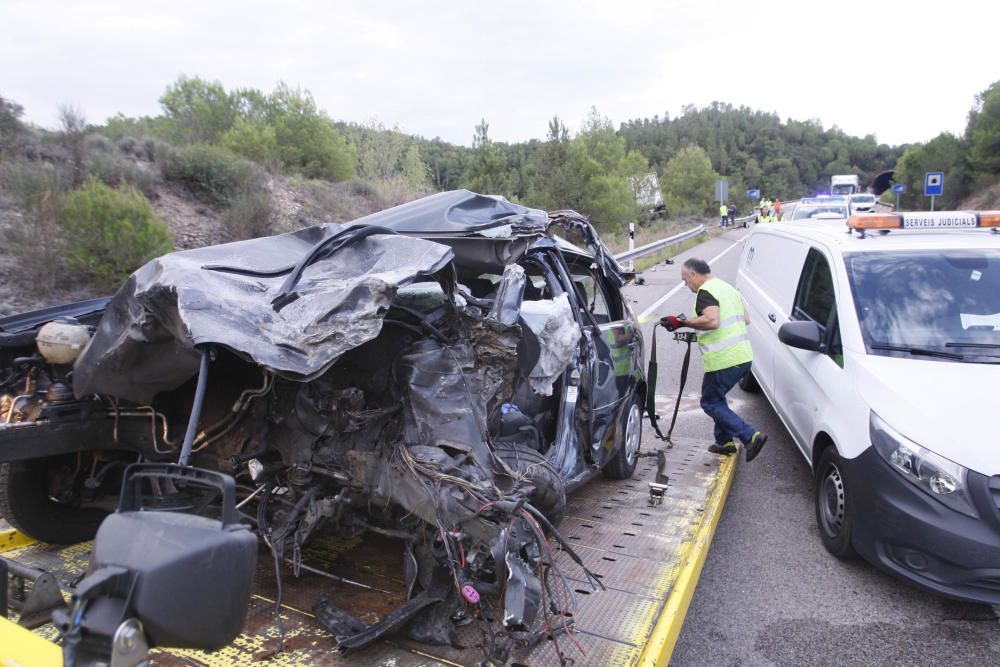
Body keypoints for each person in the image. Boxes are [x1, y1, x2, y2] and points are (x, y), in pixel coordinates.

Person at [660, 258, 768, 461]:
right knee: (718, 398)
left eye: (685, 279)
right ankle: (725, 442)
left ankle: (750, 436)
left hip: (723, 359)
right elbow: (745, 319)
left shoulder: (706, 291)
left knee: (710, 402)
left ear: (693, 274)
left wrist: (681, 322)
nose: (686, 284)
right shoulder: (727, 289)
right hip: (742, 357)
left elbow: (712, 320)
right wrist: (697, 331)